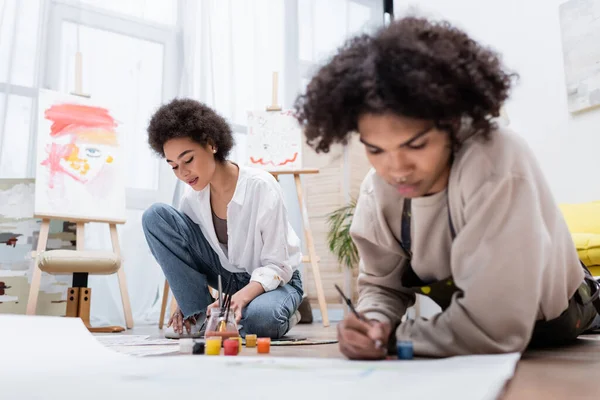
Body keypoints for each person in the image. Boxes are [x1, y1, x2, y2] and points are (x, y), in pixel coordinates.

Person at [293, 16, 600, 359]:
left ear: (452, 125)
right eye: (375, 150)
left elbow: (497, 327)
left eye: (416, 145)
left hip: (559, 315)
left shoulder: (496, 163)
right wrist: (373, 322)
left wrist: (393, 337)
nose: (396, 170)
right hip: (479, 320)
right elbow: (381, 285)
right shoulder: (377, 190)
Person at [142, 98, 304, 339]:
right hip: (227, 278)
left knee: (262, 321)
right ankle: (199, 316)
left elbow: (278, 265)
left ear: (211, 144)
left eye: (188, 160)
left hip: (276, 280)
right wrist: (183, 303)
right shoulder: (192, 197)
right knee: (155, 216)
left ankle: (280, 313)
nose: (183, 172)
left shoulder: (261, 187)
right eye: (174, 166)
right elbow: (186, 256)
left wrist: (242, 296)